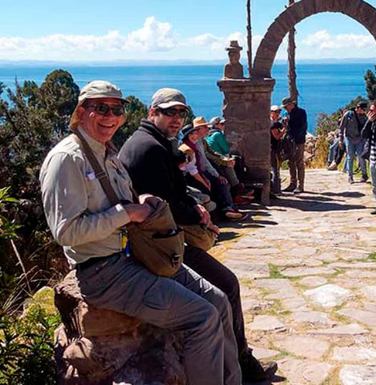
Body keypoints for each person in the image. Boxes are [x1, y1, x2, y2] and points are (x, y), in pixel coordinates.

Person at [40, 81, 241, 385]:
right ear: (82, 112)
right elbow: (66, 231)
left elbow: (115, 201)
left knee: (218, 300)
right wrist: (126, 213)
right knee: (202, 318)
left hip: (134, 255)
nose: (110, 115)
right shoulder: (69, 159)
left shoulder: (105, 152)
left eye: (116, 109)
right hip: (104, 271)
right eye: (100, 108)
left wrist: (138, 201)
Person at [118, 88, 275, 382]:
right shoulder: (150, 148)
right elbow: (163, 206)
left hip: (161, 237)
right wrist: (198, 216)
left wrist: (195, 208)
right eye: (169, 112)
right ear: (152, 113)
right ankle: (243, 365)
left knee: (225, 284)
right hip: (158, 245)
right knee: (227, 285)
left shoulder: (155, 143)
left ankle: (241, 362)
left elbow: (173, 193)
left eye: (181, 113)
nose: (176, 119)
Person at [181, 119, 245, 221]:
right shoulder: (191, 147)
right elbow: (202, 162)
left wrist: (224, 160)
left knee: (223, 177)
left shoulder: (201, 142)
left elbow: (212, 153)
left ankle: (231, 204)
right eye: (205, 127)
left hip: (199, 172)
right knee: (219, 183)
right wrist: (214, 175)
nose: (208, 129)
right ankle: (227, 208)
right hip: (193, 175)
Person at [205, 116, 253, 202]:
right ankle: (239, 187)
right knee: (234, 163)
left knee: (233, 162)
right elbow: (226, 149)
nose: (224, 126)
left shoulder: (208, 135)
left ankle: (239, 189)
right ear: (216, 125)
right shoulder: (217, 134)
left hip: (214, 160)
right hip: (216, 161)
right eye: (222, 124)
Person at [281, 96, 307, 194]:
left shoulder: (301, 112)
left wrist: (289, 121)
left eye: (286, 106)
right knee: (290, 162)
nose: (285, 109)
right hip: (289, 140)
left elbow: (300, 126)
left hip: (298, 140)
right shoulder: (286, 113)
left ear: (291, 105)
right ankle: (292, 183)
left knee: (299, 162)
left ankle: (301, 185)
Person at [339, 101, 368, 183]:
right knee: (350, 157)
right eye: (363, 109)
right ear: (358, 108)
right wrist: (341, 139)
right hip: (349, 139)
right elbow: (341, 127)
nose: (364, 111)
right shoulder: (348, 114)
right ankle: (350, 176)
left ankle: (364, 175)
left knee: (361, 157)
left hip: (360, 139)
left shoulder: (364, 117)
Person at [269, 105, 285, 197]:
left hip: (274, 147)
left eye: (279, 111)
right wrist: (283, 131)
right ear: (271, 112)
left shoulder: (275, 122)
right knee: (275, 168)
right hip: (273, 148)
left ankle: (275, 188)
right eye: (276, 112)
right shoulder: (272, 124)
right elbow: (276, 136)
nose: (278, 113)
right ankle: (276, 189)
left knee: (276, 167)